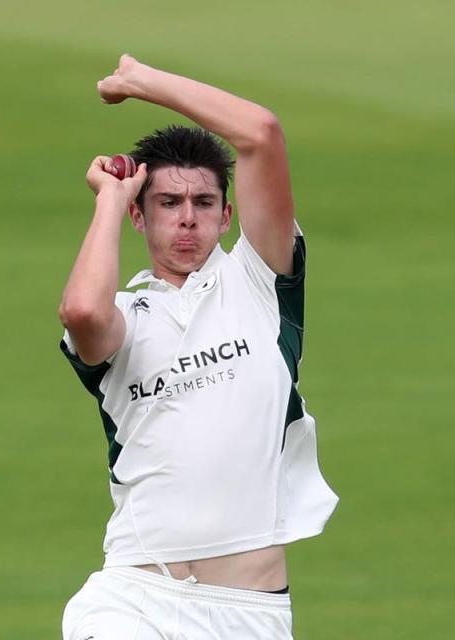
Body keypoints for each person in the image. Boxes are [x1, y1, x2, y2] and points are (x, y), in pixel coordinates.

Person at [58, 54, 338, 640]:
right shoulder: (127, 319)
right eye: (167, 203)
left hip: (248, 614)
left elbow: (260, 133)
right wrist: (109, 197)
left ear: (227, 215)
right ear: (140, 217)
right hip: (134, 595)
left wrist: (141, 82)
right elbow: (82, 311)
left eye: (203, 204)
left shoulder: (259, 284)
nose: (187, 220)